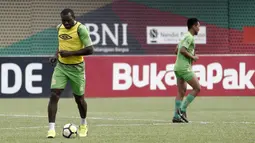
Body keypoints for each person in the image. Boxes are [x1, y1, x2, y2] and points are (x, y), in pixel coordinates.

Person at [47, 8, 93, 138]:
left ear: (74, 18)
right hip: (61, 67)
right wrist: (56, 55)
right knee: (54, 95)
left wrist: (70, 53)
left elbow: (90, 50)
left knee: (79, 99)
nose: (66, 23)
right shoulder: (59, 28)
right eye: (63, 21)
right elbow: (61, 45)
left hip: (77, 69)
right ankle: (51, 129)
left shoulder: (81, 29)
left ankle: (83, 124)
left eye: (68, 21)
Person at [172, 18, 201, 123]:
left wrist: (187, 55)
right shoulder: (190, 38)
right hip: (184, 68)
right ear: (193, 26)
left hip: (177, 67)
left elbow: (176, 50)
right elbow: (183, 50)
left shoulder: (184, 36)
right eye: (198, 26)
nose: (199, 29)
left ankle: (176, 116)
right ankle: (182, 110)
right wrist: (193, 57)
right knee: (197, 88)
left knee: (181, 92)